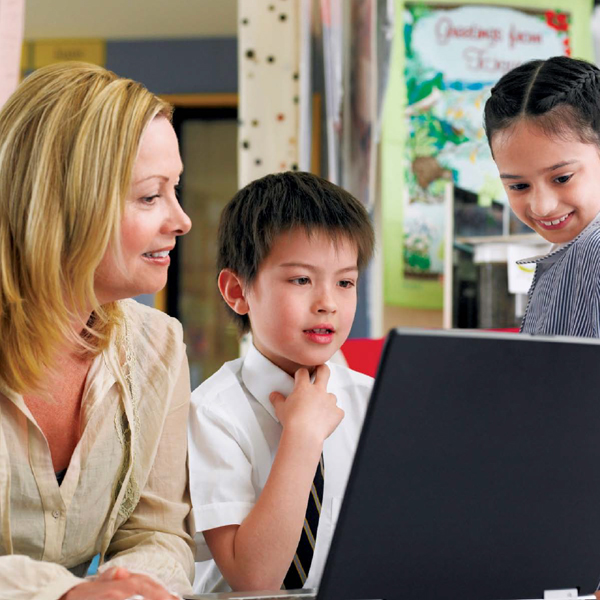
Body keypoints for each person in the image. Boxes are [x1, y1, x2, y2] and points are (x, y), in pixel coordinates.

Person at [0, 62, 194, 600]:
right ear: (66, 204)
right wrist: (59, 594)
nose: (181, 220)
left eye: (175, 190)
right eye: (150, 196)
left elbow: (157, 532)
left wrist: (131, 589)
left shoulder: (158, 345)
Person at [188, 171, 375, 592]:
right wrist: (302, 435)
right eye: (301, 280)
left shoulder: (374, 401)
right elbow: (254, 581)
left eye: (345, 282)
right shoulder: (211, 414)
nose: (327, 303)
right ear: (237, 291)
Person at [484, 55, 600, 336]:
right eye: (519, 186)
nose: (543, 206)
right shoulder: (567, 251)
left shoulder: (592, 251)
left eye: (562, 178)